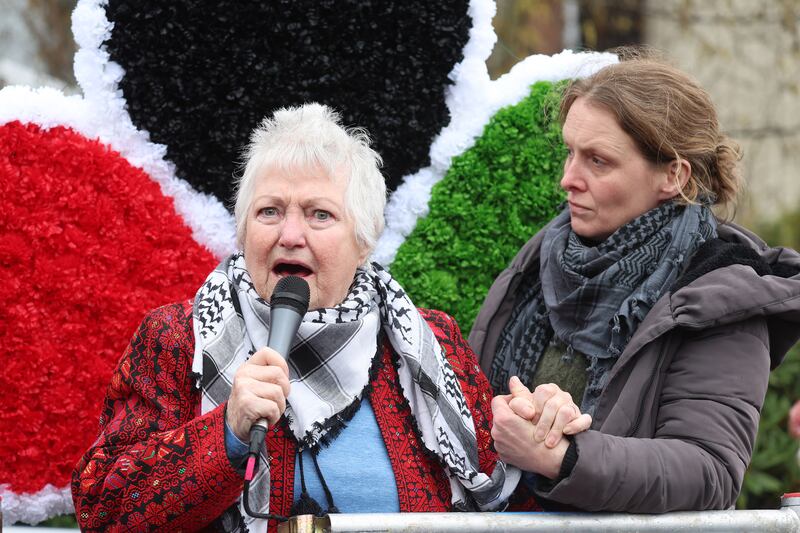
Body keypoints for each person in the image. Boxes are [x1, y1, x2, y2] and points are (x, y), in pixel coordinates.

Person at [72, 103, 519, 532]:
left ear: (364, 242)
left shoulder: (429, 342)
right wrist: (226, 431)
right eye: (269, 211)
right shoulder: (176, 338)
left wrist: (544, 451)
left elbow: (502, 499)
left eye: (319, 214)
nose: (289, 235)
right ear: (244, 230)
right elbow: (102, 512)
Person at [470, 52, 800, 513]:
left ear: (673, 175)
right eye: (570, 152)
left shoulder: (718, 292)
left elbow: (710, 469)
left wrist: (563, 457)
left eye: (598, 161)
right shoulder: (544, 254)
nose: (568, 179)